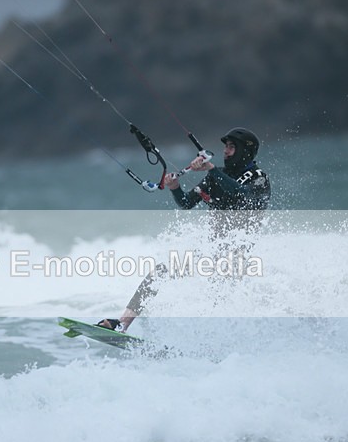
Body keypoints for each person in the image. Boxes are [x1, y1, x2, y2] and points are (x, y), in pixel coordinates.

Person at [97, 127, 271, 332]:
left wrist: (211, 169)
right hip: (212, 253)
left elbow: (244, 196)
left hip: (238, 260)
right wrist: (175, 187)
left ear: (245, 151)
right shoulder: (218, 175)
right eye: (226, 146)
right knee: (161, 271)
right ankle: (122, 324)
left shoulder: (258, 177)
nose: (226, 151)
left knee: (218, 305)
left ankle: (214, 344)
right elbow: (187, 203)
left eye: (232, 147)